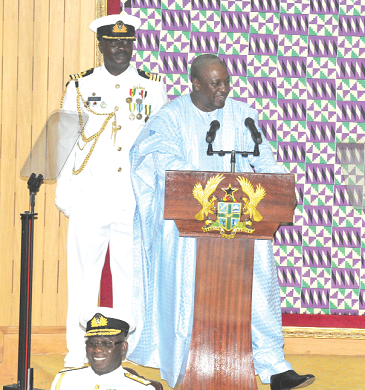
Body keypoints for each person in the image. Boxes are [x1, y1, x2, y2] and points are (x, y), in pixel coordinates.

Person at [128, 54, 315, 389]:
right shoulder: (171, 117)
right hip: (188, 227)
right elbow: (160, 158)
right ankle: (187, 366)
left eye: (227, 81)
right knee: (188, 295)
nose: (224, 89)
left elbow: (265, 158)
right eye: (216, 83)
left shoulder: (243, 116)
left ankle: (274, 368)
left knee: (259, 291)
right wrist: (204, 186)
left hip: (243, 223)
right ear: (195, 83)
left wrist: (283, 188)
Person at [55, 14, 169, 368]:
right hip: (89, 197)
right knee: (83, 278)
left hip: (132, 201)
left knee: (129, 279)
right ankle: (78, 353)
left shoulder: (152, 88)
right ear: (100, 45)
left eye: (127, 42)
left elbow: (159, 145)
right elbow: (65, 144)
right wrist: (66, 194)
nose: (121, 48)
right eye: (114, 42)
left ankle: (126, 352)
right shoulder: (79, 87)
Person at [50, 308, 163, 389]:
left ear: (123, 348)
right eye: (92, 343)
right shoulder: (66, 381)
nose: (97, 349)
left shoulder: (139, 388)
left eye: (107, 343)